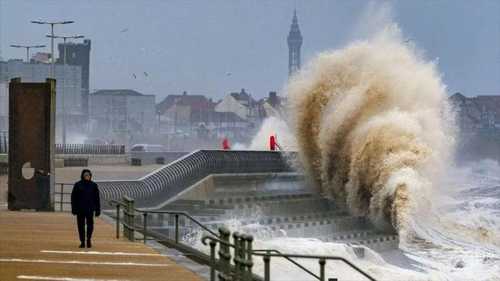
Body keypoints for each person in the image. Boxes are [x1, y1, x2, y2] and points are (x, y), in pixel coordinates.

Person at [71, 169, 101, 248]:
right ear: (83, 176)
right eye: (85, 175)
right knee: (80, 226)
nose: (87, 176)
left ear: (90, 176)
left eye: (88, 175)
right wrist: (74, 209)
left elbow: (97, 198)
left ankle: (88, 239)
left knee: (90, 225)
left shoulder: (94, 185)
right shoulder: (77, 185)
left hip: (90, 209)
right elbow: (73, 198)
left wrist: (98, 209)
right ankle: (82, 241)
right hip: (80, 209)